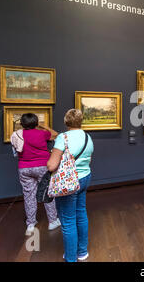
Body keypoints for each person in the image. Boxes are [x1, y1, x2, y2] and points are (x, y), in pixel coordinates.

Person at [47, 109, 94, 262]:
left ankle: (71, 258)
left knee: (67, 220)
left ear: (66, 121)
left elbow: (52, 166)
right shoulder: (87, 136)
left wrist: (50, 158)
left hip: (68, 182)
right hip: (85, 177)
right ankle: (82, 252)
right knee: (81, 213)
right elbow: (88, 160)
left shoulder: (63, 137)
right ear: (81, 121)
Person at [11, 113, 60, 236]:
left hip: (24, 168)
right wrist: (45, 126)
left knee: (29, 196)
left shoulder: (17, 135)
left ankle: (31, 224)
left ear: (21, 123)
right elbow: (56, 135)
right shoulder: (41, 133)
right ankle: (53, 221)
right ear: (36, 123)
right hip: (42, 167)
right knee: (47, 193)